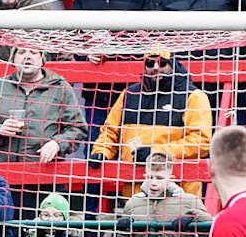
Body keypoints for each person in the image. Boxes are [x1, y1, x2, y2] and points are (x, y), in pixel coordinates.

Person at [90, 51, 213, 196]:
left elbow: (201, 142)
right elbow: (110, 131)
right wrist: (101, 152)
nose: (155, 67)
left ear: (173, 64)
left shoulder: (194, 96)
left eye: (162, 63)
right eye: (150, 63)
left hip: (180, 196)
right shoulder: (129, 94)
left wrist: (155, 152)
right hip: (134, 196)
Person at [0, 46, 87, 165]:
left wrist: (57, 144)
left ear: (42, 59)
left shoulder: (61, 88)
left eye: (33, 52)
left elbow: (78, 128)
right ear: (13, 59)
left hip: (47, 173)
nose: (27, 56)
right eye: (21, 52)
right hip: (6, 174)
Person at [118, 152, 210, 231]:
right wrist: (123, 231)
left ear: (170, 179)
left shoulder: (190, 202)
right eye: (150, 177)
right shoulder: (133, 203)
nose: (153, 183)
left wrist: (194, 218)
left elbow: (209, 232)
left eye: (159, 178)